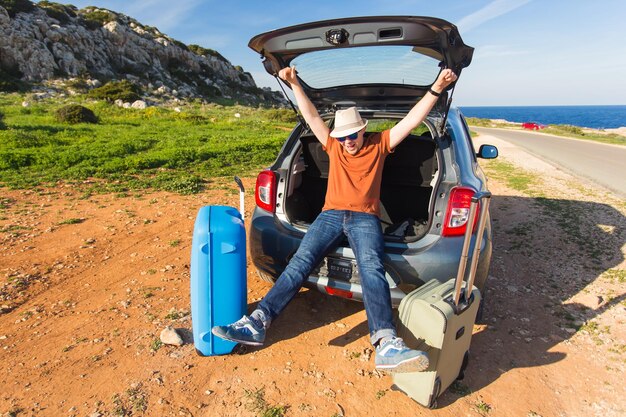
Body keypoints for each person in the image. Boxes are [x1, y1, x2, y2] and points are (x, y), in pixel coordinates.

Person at [213, 66, 458, 372]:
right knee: (300, 262)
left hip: (364, 218)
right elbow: (312, 117)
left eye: (353, 134)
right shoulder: (333, 145)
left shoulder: (379, 144)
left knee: (371, 266)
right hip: (329, 215)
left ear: (362, 130)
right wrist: (294, 83)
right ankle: (257, 322)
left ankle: (386, 344)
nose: (348, 141)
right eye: (342, 136)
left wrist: (437, 87)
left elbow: (411, 121)